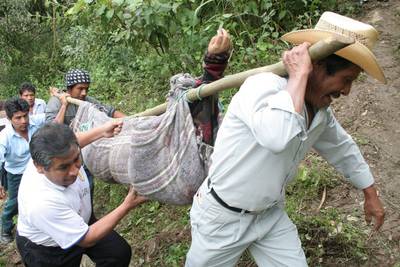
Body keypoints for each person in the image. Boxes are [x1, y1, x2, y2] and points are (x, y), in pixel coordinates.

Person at [185, 11, 385, 267]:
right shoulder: (262, 88)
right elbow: (277, 136)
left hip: (269, 216)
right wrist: (299, 76)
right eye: (345, 80)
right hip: (223, 218)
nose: (346, 91)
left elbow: (341, 147)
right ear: (317, 67)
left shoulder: (320, 111)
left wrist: (370, 191)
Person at [16, 122, 147, 267]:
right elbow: (88, 238)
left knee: (118, 253)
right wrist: (127, 205)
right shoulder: (41, 203)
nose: (74, 171)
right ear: (39, 167)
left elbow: (74, 142)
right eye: (64, 167)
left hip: (80, 221)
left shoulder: (57, 153)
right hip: (48, 249)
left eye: (76, 159)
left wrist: (102, 131)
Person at [0, 97, 45, 244]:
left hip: (37, 169)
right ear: (9, 118)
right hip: (16, 175)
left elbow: (53, 117)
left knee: (39, 197)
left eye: (25, 115)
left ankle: (36, 224)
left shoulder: (35, 123)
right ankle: (5, 228)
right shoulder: (4, 137)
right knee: (14, 203)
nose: (24, 121)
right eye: (18, 118)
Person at [45, 69, 125, 126]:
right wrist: (64, 106)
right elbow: (52, 130)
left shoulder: (87, 101)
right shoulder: (55, 102)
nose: (84, 93)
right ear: (69, 89)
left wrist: (129, 120)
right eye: (80, 89)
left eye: (86, 89)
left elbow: (110, 112)